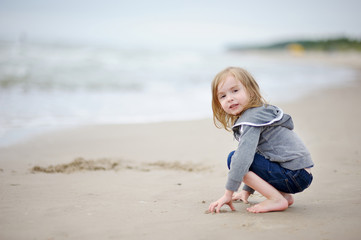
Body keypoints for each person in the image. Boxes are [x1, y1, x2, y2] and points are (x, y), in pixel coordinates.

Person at [208, 67, 313, 213]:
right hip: (300, 174)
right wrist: (247, 190)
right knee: (243, 157)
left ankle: (277, 200)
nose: (230, 98)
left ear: (251, 91)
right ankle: (283, 196)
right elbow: (258, 155)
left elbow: (243, 159)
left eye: (235, 91)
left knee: (234, 158)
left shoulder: (251, 120)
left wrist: (228, 193)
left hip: (293, 175)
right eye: (223, 96)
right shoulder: (260, 113)